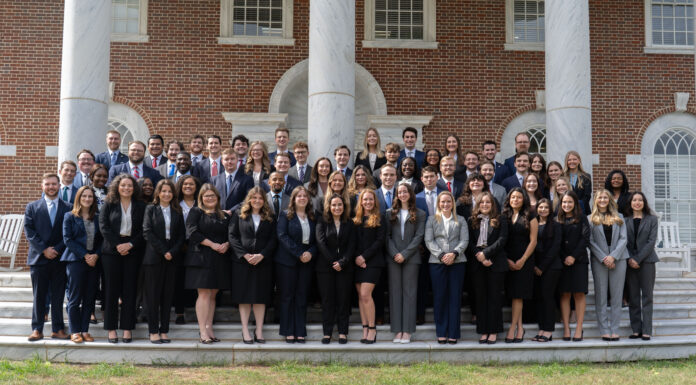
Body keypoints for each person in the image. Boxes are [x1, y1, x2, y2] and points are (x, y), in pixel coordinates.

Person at [99, 174, 146, 343]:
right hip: (111, 252)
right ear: (117, 187)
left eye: (130, 185)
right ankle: (111, 329)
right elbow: (103, 226)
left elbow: (144, 230)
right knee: (111, 291)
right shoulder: (109, 203)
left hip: (133, 251)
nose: (126, 188)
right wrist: (118, 245)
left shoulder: (141, 206)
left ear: (134, 188)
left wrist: (130, 245)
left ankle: (127, 328)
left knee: (129, 291)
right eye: (123, 185)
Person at [25, 173, 72, 342]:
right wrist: (44, 249)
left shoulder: (68, 207)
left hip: (60, 258)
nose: (51, 187)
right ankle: (37, 329)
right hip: (39, 259)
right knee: (39, 295)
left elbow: (69, 233)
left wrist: (56, 249)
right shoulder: (32, 207)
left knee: (58, 295)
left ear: (59, 186)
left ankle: (58, 329)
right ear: (42, 186)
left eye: (54, 184)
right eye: (48, 184)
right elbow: (29, 232)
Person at [229, 186, 278, 344]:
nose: (257, 201)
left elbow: (273, 239)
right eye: (254, 198)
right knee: (244, 297)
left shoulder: (270, 216)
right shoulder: (239, 214)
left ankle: (259, 330)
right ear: (249, 199)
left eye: (260, 198)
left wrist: (262, 255)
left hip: (263, 262)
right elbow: (232, 236)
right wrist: (244, 255)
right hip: (242, 262)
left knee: (260, 297)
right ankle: (245, 330)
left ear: (264, 201)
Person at [184, 184, 231, 344]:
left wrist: (227, 244)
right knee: (204, 294)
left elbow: (232, 234)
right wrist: (212, 245)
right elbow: (192, 232)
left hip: (219, 257)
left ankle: (209, 328)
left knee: (213, 295)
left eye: (212, 195)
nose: (209, 198)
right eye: (206, 196)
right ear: (201, 198)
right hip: (201, 257)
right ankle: (202, 331)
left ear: (217, 198)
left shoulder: (224, 215)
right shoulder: (196, 212)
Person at [142, 180, 185, 344]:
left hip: (172, 258)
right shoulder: (150, 209)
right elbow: (147, 232)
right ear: (158, 193)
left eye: (170, 191)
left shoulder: (177, 210)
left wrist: (172, 251)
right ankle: (153, 331)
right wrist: (163, 250)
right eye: (164, 191)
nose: (167, 194)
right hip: (154, 256)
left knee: (167, 296)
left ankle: (164, 330)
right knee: (153, 295)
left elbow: (182, 235)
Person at [425, 190, 468, 344]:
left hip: (457, 262)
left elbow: (465, 240)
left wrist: (454, 254)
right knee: (440, 297)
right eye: (442, 202)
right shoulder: (431, 220)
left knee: (455, 298)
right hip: (437, 262)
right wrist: (442, 255)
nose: (445, 204)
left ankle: (453, 333)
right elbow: (429, 241)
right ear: (438, 204)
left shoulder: (461, 220)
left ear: (452, 203)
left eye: (448, 201)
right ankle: (441, 332)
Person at [275, 186, 317, 344]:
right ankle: (288, 331)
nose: (302, 198)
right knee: (287, 297)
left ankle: (300, 331)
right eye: (298, 196)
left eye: (304, 196)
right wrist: (299, 253)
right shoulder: (285, 215)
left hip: (306, 262)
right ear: (293, 199)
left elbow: (317, 240)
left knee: (301, 297)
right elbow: (282, 236)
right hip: (287, 262)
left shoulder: (312, 216)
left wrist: (310, 253)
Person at [386, 183, 426, 344]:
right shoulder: (389, 213)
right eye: (399, 192)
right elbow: (386, 237)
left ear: (410, 194)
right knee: (395, 293)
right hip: (393, 257)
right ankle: (397, 330)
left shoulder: (420, 213)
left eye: (405, 191)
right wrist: (396, 253)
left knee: (410, 293)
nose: (402, 194)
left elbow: (419, 237)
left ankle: (407, 331)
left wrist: (405, 254)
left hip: (412, 258)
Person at [466, 192, 508, 344]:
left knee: (494, 298)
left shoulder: (501, 219)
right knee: (481, 299)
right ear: (478, 204)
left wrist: (486, 254)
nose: (484, 205)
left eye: (488, 202)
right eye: (482, 202)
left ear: (493, 204)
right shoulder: (471, 220)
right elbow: (469, 242)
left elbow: (502, 240)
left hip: (495, 263)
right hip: (478, 264)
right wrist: (479, 255)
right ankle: (483, 330)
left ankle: (494, 331)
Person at [61, 186, 102, 343]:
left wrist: (96, 255)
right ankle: (75, 331)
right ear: (79, 198)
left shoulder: (97, 217)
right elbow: (67, 239)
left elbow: (102, 240)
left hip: (94, 262)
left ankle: (85, 330)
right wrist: (85, 255)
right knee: (75, 297)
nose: (87, 199)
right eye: (84, 196)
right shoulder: (69, 216)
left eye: (90, 196)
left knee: (90, 297)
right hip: (75, 261)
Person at [315, 194, 356, 344]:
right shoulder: (322, 221)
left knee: (343, 300)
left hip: (345, 268)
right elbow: (320, 243)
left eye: (340, 205)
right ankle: (327, 332)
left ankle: (343, 332)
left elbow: (352, 245)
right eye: (334, 205)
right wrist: (333, 262)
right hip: (325, 268)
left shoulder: (349, 223)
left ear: (344, 207)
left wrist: (342, 262)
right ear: (329, 207)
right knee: (327, 300)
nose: (337, 208)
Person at [589, 189, 628, 342]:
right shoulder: (590, 219)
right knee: (601, 296)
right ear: (596, 200)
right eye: (600, 198)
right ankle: (604, 329)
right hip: (599, 261)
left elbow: (624, 239)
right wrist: (604, 258)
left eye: (606, 197)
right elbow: (590, 242)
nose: (603, 200)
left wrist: (613, 257)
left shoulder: (620, 218)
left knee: (617, 297)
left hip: (619, 260)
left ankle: (615, 329)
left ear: (610, 200)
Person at [502, 187, 538, 343]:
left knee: (518, 295)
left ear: (524, 199)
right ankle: (520, 327)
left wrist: (522, 260)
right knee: (514, 295)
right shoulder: (505, 215)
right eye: (513, 197)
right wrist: (507, 260)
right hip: (508, 260)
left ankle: (513, 328)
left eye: (518, 197)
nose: (515, 200)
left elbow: (534, 241)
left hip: (525, 260)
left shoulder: (530, 215)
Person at [352, 189, 386, 344]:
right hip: (357, 262)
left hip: (373, 262)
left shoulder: (379, 218)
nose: (368, 202)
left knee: (366, 295)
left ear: (375, 201)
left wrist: (364, 257)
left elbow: (379, 242)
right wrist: (358, 258)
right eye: (365, 199)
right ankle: (364, 327)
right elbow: (352, 242)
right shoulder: (355, 220)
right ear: (361, 201)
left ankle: (372, 329)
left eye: (370, 199)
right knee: (360, 296)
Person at [624, 192, 659, 341]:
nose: (637, 203)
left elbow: (651, 242)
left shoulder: (652, 219)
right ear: (630, 203)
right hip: (630, 262)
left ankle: (646, 330)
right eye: (634, 200)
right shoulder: (624, 220)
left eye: (640, 200)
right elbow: (623, 241)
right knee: (633, 297)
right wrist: (631, 259)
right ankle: (636, 329)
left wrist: (638, 259)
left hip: (647, 261)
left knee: (647, 296)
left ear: (644, 202)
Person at [557, 191, 591, 342]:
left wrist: (573, 256)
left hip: (579, 261)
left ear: (575, 203)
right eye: (564, 202)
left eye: (570, 202)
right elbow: (556, 241)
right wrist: (565, 257)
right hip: (562, 262)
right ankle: (566, 327)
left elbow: (585, 239)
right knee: (564, 294)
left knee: (578, 294)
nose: (566, 205)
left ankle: (578, 328)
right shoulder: (557, 219)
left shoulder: (582, 218)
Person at [531, 199, 561, 342]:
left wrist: (542, 267)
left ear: (550, 210)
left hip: (551, 266)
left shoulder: (555, 225)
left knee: (548, 297)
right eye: (540, 207)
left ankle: (548, 330)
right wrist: (535, 266)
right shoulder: (533, 224)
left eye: (546, 207)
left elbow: (555, 247)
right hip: (535, 267)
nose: (543, 209)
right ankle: (541, 328)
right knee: (539, 298)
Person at [173, 175, 201, 325]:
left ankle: (200, 313)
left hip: (198, 247)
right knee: (179, 281)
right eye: (185, 184)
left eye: (191, 184)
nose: (188, 187)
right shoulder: (176, 204)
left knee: (198, 281)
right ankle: (179, 313)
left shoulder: (201, 203)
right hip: (180, 247)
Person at [564, 151, 592, 215]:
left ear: (579, 161)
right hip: (566, 210)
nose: (572, 161)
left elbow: (587, 196)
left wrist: (577, 208)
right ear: (566, 162)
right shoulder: (562, 176)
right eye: (569, 160)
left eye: (574, 159)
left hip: (582, 210)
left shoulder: (586, 177)